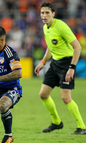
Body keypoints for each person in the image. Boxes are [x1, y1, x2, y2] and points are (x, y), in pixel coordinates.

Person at [34, 1, 86, 134]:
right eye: (42, 13)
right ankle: (57, 122)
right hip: (55, 63)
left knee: (65, 98)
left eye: (47, 13)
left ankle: (82, 127)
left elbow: (78, 47)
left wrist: (72, 68)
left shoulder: (61, 26)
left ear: (53, 14)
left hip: (67, 63)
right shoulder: (46, 28)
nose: (44, 15)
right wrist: (43, 62)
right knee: (43, 94)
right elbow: (51, 48)